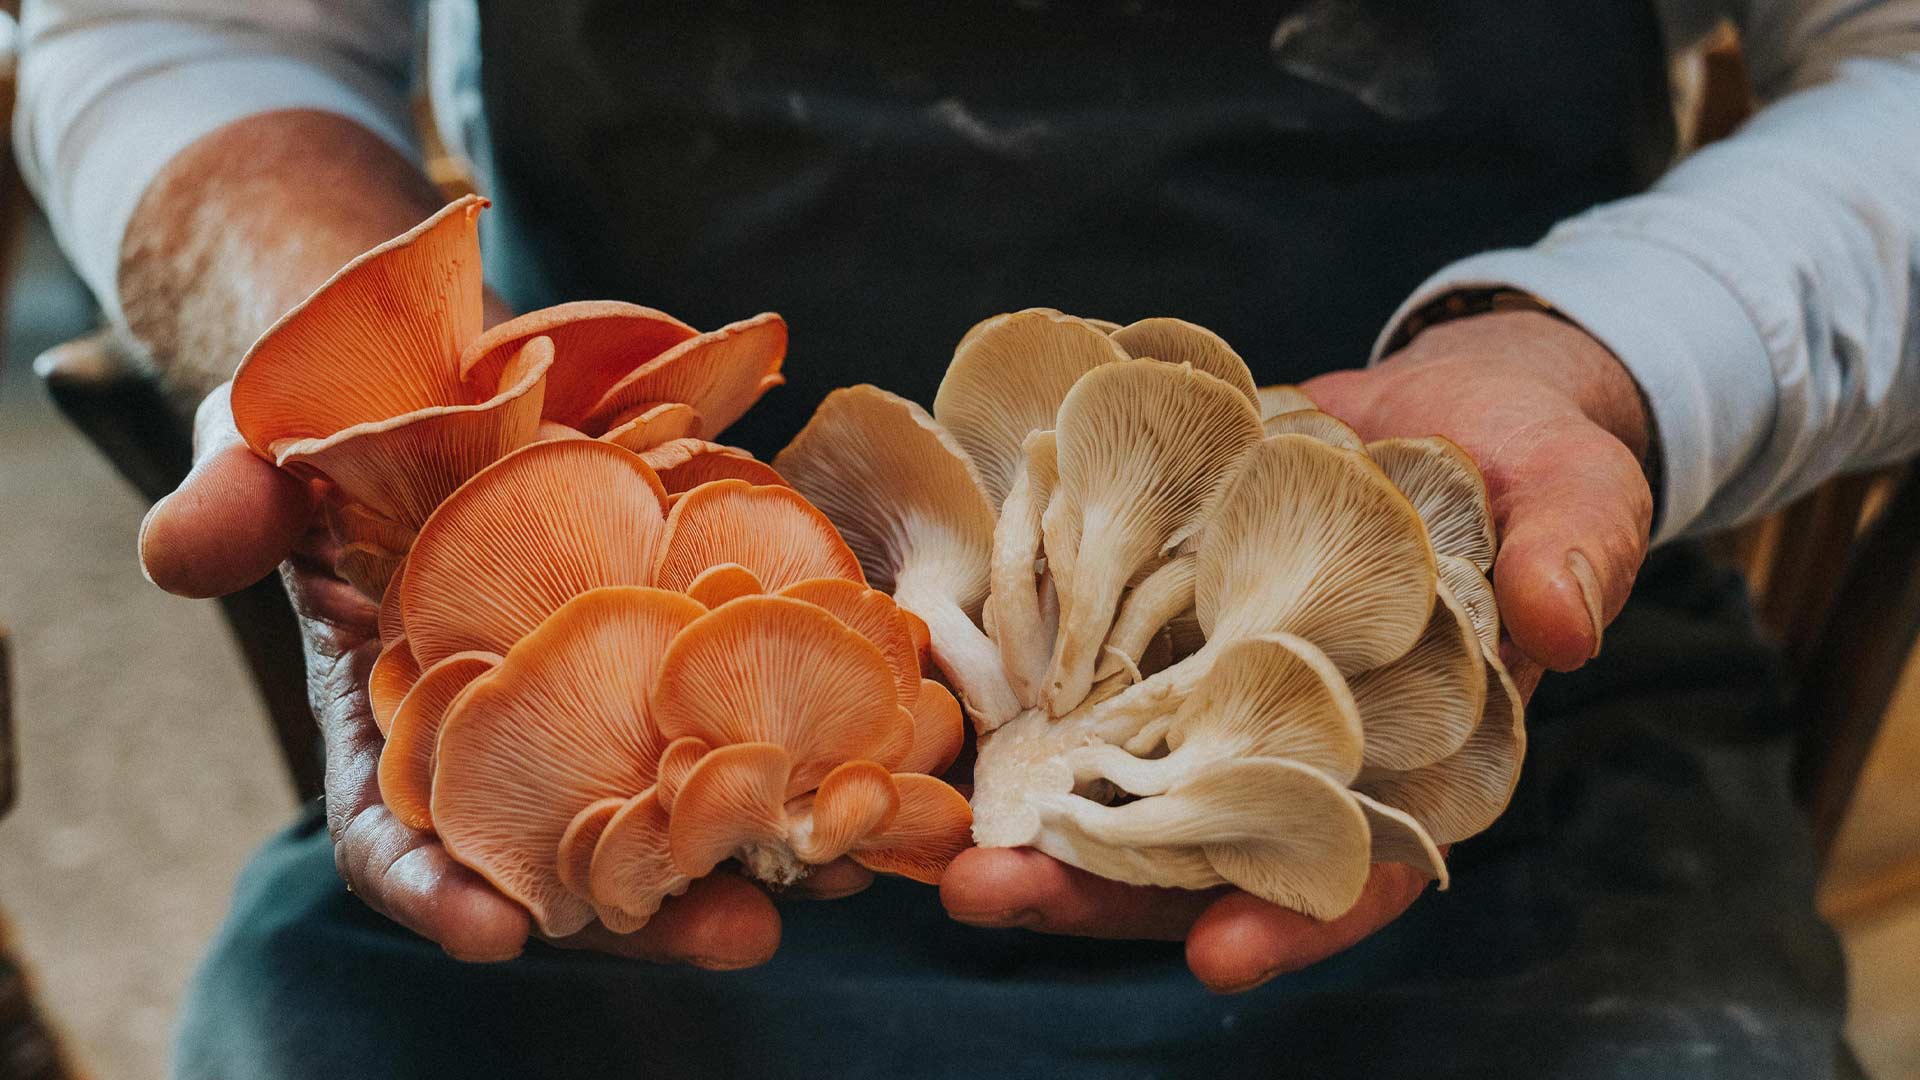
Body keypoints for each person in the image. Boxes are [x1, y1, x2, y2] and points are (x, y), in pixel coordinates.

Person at [17, 1, 1920, 1076]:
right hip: (624, 730)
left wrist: (1593, 364)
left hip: (1489, 736)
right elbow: (173, 23)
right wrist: (381, 407)